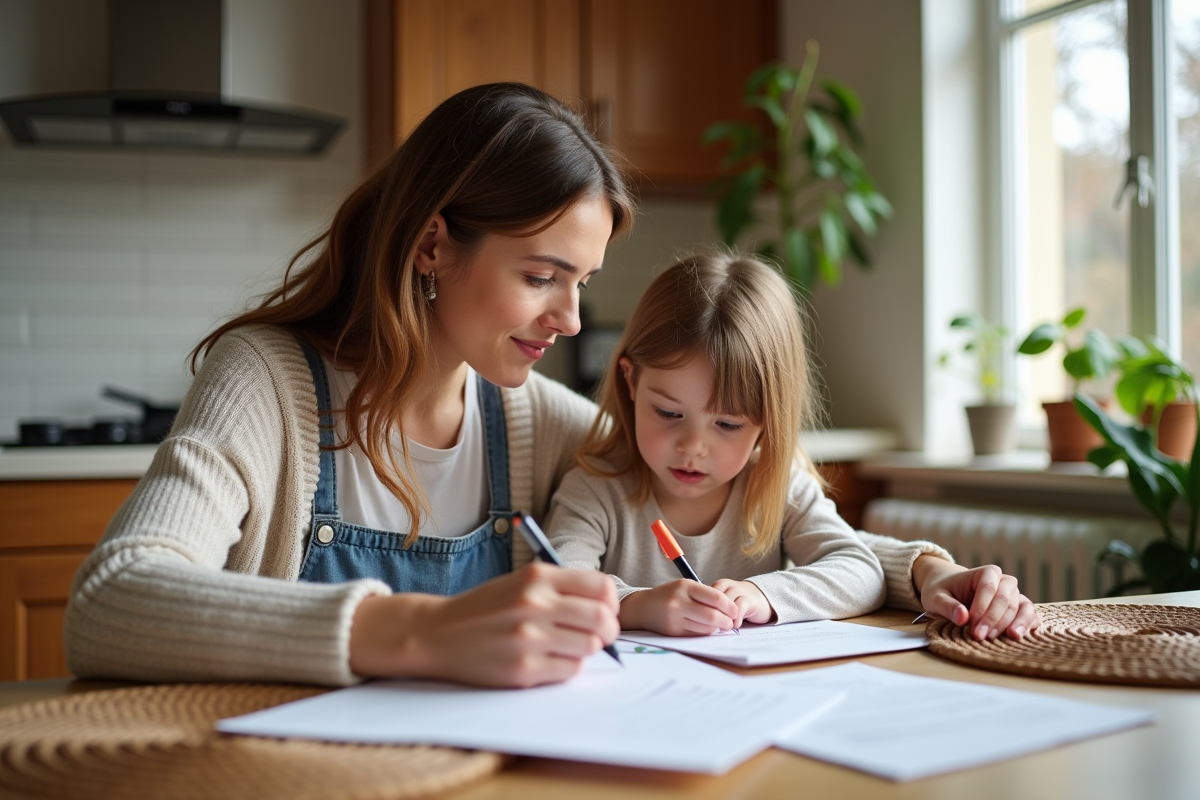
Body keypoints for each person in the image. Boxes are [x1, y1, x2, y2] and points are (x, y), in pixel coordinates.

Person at [64, 83, 1035, 693]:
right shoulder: (269, 385)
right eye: (543, 276)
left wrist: (926, 574)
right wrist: (421, 629)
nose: (571, 321)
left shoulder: (532, 419)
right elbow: (109, 601)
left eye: (582, 284)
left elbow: (759, 505)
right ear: (435, 244)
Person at [548, 253, 887, 634]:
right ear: (630, 381)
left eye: (727, 424)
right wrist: (638, 605)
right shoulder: (596, 488)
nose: (693, 447)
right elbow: (557, 584)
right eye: (668, 413)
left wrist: (762, 593)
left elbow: (861, 574)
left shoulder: (779, 485)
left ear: (768, 420)